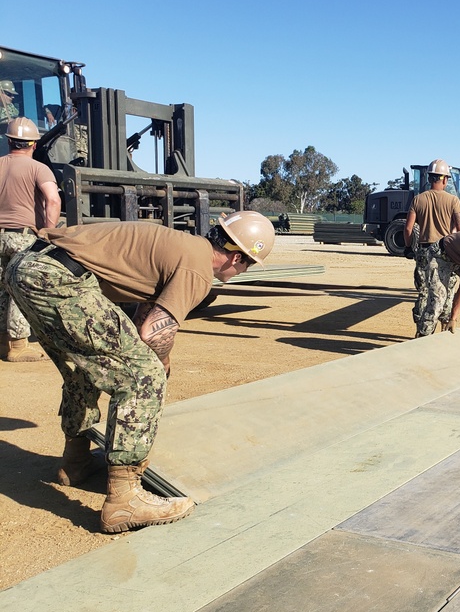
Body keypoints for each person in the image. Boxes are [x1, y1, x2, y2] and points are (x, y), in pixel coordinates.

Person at [4, 210, 275, 533]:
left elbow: (146, 318)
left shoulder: (184, 246)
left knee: (84, 367)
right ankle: (124, 499)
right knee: (142, 377)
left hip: (29, 267)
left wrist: (160, 358)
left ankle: (74, 462)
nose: (242, 270)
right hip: (59, 279)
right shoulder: (198, 268)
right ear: (235, 256)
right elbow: (152, 336)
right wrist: (157, 371)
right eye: (247, 264)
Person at [0, 117, 61, 362]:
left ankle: (2, 342)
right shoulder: (38, 168)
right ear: (34, 144)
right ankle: (18, 345)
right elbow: (53, 200)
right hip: (21, 236)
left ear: (8, 141)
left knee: (2, 289)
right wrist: (48, 231)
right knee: (20, 288)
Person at [405, 159, 460, 336]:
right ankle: (444, 331)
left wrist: (409, 247)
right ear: (445, 179)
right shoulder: (453, 201)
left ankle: (420, 332)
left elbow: (408, 228)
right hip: (445, 253)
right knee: (445, 291)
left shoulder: (418, 199)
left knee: (425, 292)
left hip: (424, 251)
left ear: (429, 178)